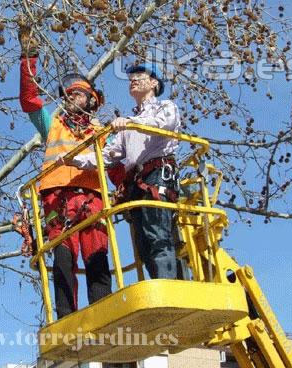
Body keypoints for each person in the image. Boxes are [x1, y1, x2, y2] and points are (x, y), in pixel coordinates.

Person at [18, 35, 111, 319]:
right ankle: (67, 318)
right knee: (62, 261)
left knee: (97, 260)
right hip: (57, 201)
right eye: (68, 94)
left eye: (78, 94)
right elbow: (30, 100)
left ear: (91, 100)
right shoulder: (53, 125)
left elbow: (117, 166)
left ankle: (103, 318)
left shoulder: (102, 132)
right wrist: (28, 60)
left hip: (92, 200)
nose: (71, 97)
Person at [68, 63, 181, 280]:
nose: (134, 80)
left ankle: (170, 285)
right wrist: (76, 161)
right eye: (131, 78)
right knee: (144, 243)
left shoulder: (165, 107)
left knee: (157, 234)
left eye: (140, 76)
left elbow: (163, 123)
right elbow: (108, 155)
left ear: (154, 83)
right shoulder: (127, 124)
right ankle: (160, 284)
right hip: (137, 182)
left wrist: (130, 122)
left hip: (159, 174)